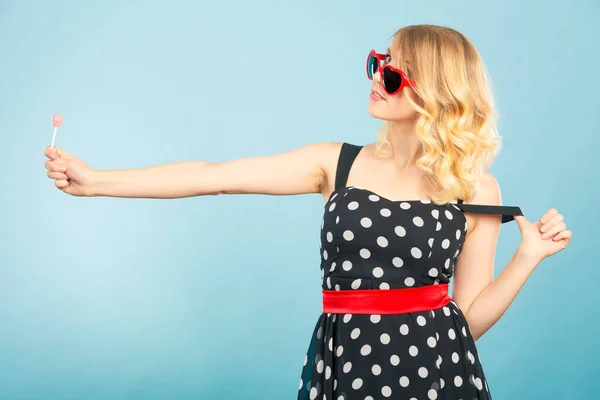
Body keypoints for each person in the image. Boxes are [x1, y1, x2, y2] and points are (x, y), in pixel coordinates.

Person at [43, 24, 571, 400]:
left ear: (436, 94)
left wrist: (527, 258)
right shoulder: (333, 163)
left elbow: (468, 320)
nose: (376, 76)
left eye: (392, 74)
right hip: (344, 366)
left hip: (436, 376)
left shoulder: (473, 185)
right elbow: (215, 175)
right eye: (376, 62)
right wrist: (98, 183)